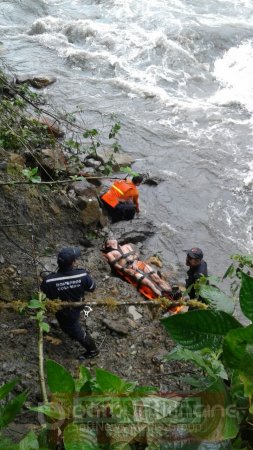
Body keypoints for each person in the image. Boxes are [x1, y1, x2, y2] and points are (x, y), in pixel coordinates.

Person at [40, 247, 99, 359]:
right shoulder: (82, 275)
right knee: (71, 326)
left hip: (62, 310)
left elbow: (44, 295)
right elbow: (92, 288)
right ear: (73, 262)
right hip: (78, 305)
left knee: (74, 330)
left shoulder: (48, 280)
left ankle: (93, 351)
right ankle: (91, 349)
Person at [102, 239, 173, 298]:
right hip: (129, 269)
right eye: (109, 239)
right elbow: (115, 265)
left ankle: (171, 292)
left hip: (137, 263)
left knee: (156, 277)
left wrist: (135, 262)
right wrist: (126, 270)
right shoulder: (110, 254)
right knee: (149, 283)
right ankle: (161, 297)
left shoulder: (126, 246)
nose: (111, 238)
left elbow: (136, 254)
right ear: (108, 245)